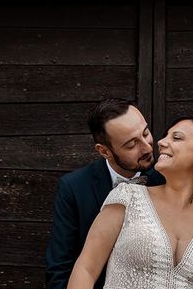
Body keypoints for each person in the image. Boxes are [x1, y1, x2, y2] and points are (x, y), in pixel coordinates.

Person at [67, 116, 193, 289]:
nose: (161, 142)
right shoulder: (128, 197)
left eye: (176, 137)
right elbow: (86, 269)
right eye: (165, 136)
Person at [45, 98, 165, 289]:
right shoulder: (74, 188)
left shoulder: (167, 178)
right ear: (104, 151)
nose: (147, 147)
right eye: (131, 144)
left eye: (146, 133)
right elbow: (60, 268)